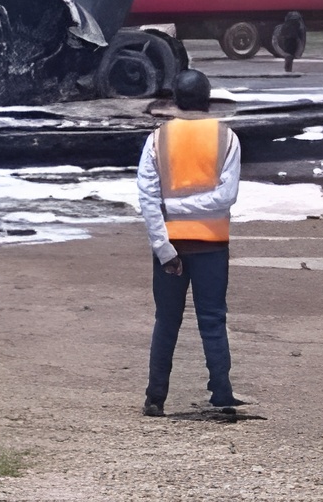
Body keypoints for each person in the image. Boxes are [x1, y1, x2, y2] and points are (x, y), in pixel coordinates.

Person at [137, 68, 244, 416]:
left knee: (166, 321)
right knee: (213, 320)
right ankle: (222, 395)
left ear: (175, 101)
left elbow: (148, 199)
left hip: (170, 246)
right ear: (208, 101)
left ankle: (156, 397)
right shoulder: (227, 138)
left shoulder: (156, 139)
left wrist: (164, 246)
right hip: (212, 245)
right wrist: (187, 207)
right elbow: (225, 198)